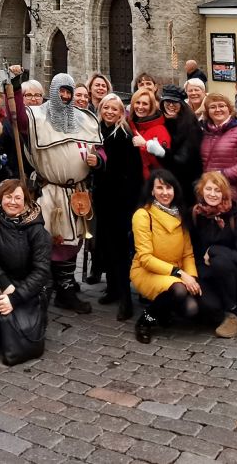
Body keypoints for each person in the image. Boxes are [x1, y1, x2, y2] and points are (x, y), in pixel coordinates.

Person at [18, 73, 102, 314]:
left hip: (76, 193)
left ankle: (65, 287)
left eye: (69, 91)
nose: (65, 96)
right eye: (61, 92)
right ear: (53, 92)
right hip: (50, 191)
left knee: (72, 241)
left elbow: (98, 148)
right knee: (48, 242)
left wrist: (100, 162)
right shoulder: (38, 117)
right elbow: (20, 120)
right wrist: (13, 87)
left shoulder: (83, 118)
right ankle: (46, 286)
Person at [0, 179, 52, 365]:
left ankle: (23, 329)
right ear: (0, 199)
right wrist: (4, 283)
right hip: (4, 280)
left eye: (17, 198)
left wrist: (15, 297)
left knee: (16, 308)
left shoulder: (37, 230)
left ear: (25, 201)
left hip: (28, 283)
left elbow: (41, 271)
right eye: (8, 197)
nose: (12, 202)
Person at [130, 169, 204, 343]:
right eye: (160, 188)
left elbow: (188, 253)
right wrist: (181, 275)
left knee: (192, 308)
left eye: (168, 188)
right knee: (179, 290)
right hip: (147, 271)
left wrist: (191, 277)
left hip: (175, 272)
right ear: (152, 191)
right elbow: (145, 258)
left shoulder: (180, 214)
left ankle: (163, 311)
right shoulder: (143, 215)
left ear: (175, 190)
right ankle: (145, 321)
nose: (165, 192)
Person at [94, 94, 143, 319]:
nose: (110, 112)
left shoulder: (123, 134)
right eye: (106, 107)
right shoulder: (98, 131)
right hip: (103, 198)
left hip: (120, 200)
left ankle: (126, 299)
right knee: (106, 245)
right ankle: (113, 289)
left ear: (121, 112)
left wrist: (102, 165)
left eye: (114, 108)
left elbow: (130, 172)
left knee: (120, 250)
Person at [190, 171, 237, 338]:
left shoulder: (234, 213)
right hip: (205, 272)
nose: (213, 194)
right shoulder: (195, 213)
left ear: (224, 193)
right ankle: (219, 311)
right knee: (210, 309)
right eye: (209, 189)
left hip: (232, 273)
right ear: (201, 190)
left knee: (220, 261)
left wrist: (214, 251)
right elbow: (192, 250)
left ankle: (233, 313)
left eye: (217, 190)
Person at [160, 85, 203, 196]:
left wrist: (162, 153)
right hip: (166, 180)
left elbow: (183, 161)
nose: (170, 105)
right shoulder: (162, 121)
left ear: (181, 104)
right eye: (167, 101)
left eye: (174, 102)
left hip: (185, 182)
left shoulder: (190, 125)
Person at [128, 87, 171, 180]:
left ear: (151, 107)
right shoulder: (132, 125)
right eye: (137, 102)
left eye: (145, 104)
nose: (140, 107)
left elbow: (163, 162)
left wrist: (145, 145)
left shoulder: (160, 130)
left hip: (152, 182)